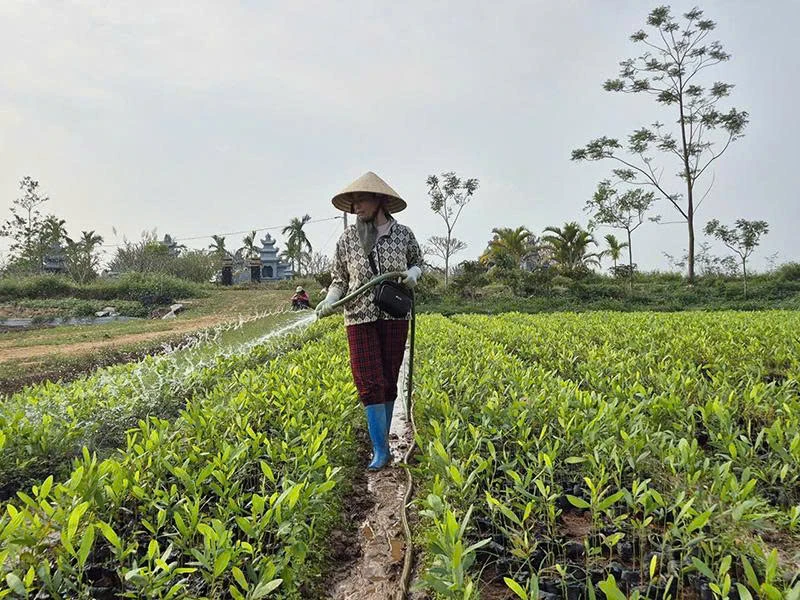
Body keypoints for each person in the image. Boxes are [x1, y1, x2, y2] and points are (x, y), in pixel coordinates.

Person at [316, 171, 422, 470]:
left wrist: (413, 273)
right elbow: (340, 279)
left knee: (389, 377)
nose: (356, 207)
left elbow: (418, 261)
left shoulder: (403, 234)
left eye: (361, 200)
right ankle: (380, 450)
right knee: (367, 379)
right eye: (353, 203)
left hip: (394, 313)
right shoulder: (348, 239)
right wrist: (331, 299)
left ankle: (384, 443)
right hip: (358, 315)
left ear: (378, 200)